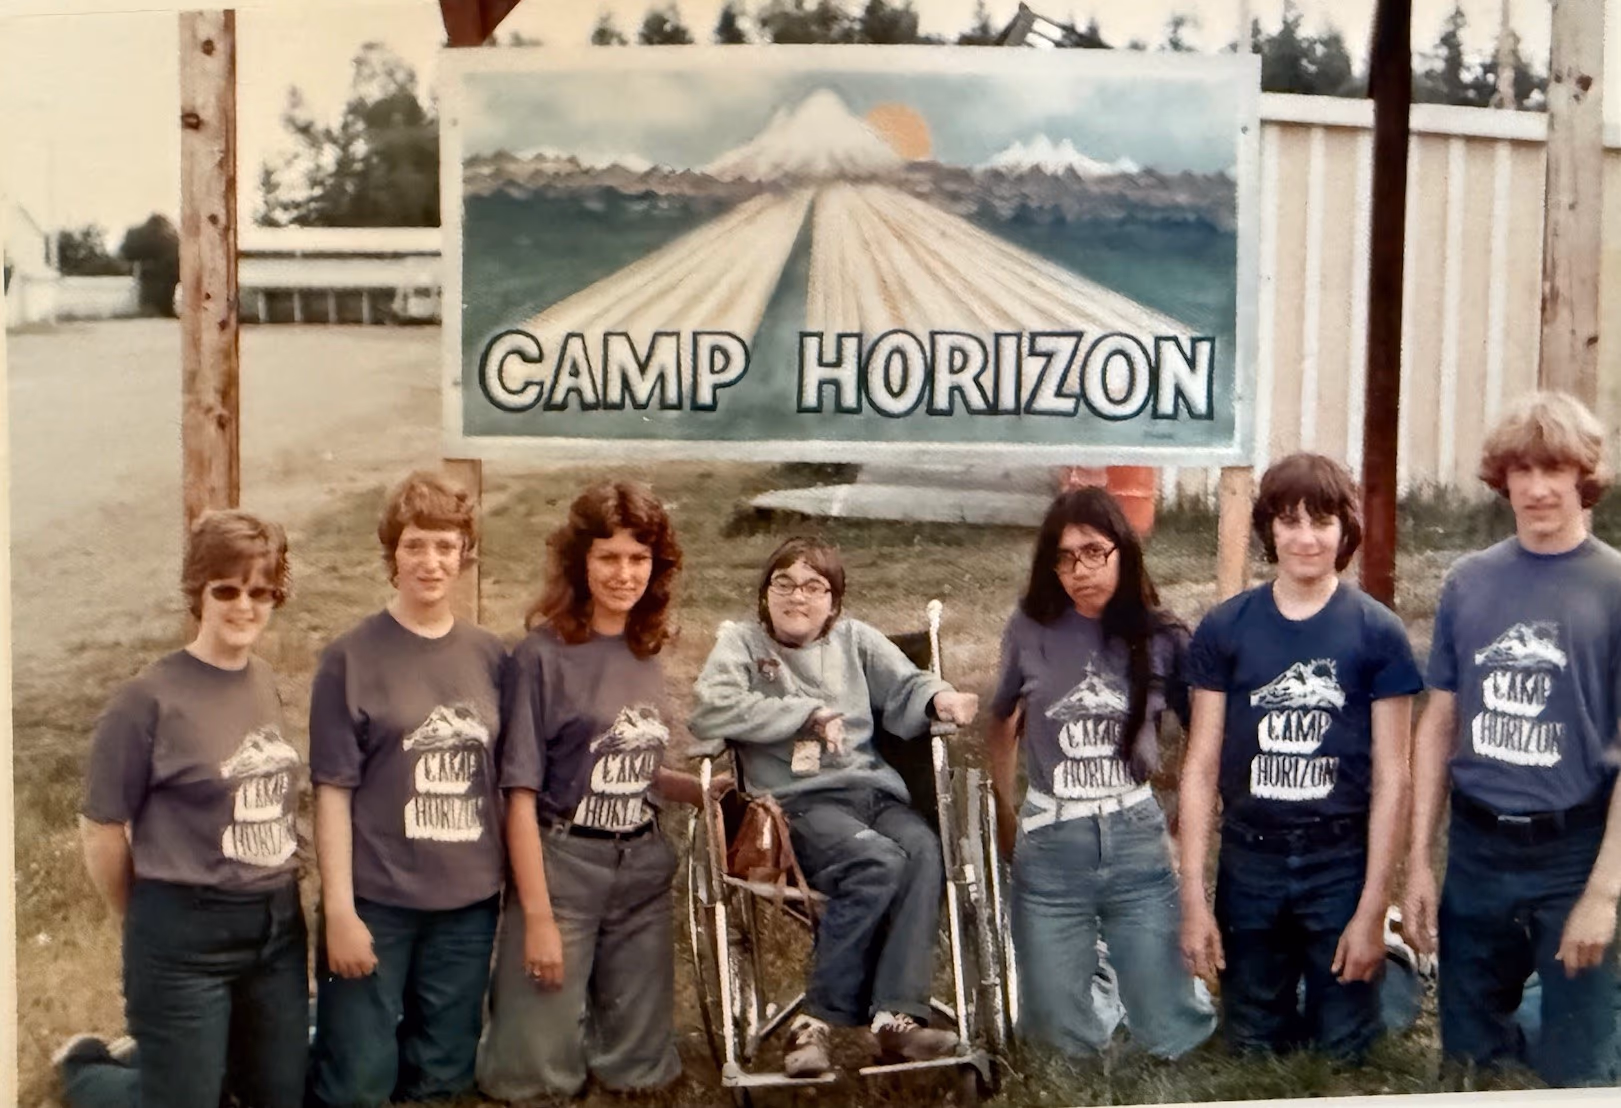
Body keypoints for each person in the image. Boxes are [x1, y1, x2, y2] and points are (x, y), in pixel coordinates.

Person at [689, 536, 980, 1077]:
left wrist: (940, 697)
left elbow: (906, 684)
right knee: (878, 862)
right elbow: (710, 709)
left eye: (814, 586)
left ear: (834, 601)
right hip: (796, 806)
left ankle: (895, 1018)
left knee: (920, 849)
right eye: (784, 583)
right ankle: (816, 1022)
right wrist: (804, 713)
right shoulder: (742, 645)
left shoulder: (855, 639)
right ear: (765, 595)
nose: (798, 597)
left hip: (872, 794)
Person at [1402, 391, 1621, 1087]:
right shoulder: (1469, 582)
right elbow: (1437, 722)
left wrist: (1603, 895)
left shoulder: (1613, 586)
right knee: (1467, 1065)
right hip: (1477, 849)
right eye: (1518, 472)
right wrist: (1416, 862)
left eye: (1551, 470)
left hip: (1572, 849)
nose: (1534, 489)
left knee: (1580, 1071)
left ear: (1582, 478)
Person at [55, 510, 307, 1108]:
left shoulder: (265, 680)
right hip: (183, 939)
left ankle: (177, 1054)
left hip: (275, 929)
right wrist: (143, 919)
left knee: (278, 1097)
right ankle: (85, 1066)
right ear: (199, 592)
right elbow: (102, 829)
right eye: (226, 589)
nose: (244, 605)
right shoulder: (146, 699)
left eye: (260, 591)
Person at [1179, 452, 1422, 1061]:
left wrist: (1372, 909)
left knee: (1346, 1049)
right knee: (1254, 1045)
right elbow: (1201, 767)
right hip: (1250, 857)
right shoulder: (1225, 628)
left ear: (1345, 532)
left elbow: (1394, 777)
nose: (1306, 538)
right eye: (1289, 521)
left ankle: (1391, 958)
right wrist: (1192, 901)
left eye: (1322, 522)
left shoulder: (1378, 632)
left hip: (1337, 858)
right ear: (1269, 529)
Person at [476, 480, 707, 1100]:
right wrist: (540, 919)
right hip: (562, 865)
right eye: (609, 556)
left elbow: (626, 765)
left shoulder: (644, 648)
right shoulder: (538, 657)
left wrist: (706, 791)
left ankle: (612, 1028)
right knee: (530, 1080)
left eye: (639, 559)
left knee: (641, 1071)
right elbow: (519, 796)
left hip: (640, 867)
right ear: (580, 562)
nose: (624, 574)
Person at [987, 488, 1215, 1059]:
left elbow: (1205, 742)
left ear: (1124, 550)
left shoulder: (1164, 636)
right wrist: (1004, 809)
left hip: (1135, 836)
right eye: (1064, 558)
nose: (1079, 571)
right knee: (1060, 1047)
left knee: (1173, 1039)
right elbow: (1000, 722)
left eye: (1093, 552)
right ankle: (1099, 975)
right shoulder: (1029, 627)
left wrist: (1182, 827)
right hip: (1052, 844)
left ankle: (1121, 967)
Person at [307, 472, 507, 1107]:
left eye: (446, 546)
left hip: (467, 904)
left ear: (464, 554)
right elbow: (332, 791)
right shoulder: (350, 658)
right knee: (356, 1086)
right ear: (392, 553)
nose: (431, 561)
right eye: (416, 544)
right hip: (378, 902)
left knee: (442, 1079)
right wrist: (340, 912)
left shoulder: (490, 655)